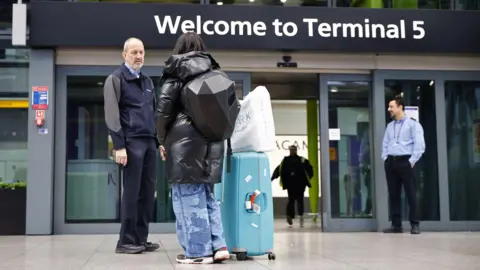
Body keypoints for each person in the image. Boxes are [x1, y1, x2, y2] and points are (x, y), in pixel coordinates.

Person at [155, 32, 229, 265]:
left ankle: (198, 252)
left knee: (187, 197)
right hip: (213, 144)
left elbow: (163, 112)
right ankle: (218, 246)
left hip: (184, 145)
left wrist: (161, 139)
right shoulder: (216, 72)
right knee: (208, 196)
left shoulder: (176, 71)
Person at [103, 37, 160, 254]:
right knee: (132, 192)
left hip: (149, 143)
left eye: (142, 52)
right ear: (124, 55)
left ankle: (140, 238)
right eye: (134, 52)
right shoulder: (115, 79)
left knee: (147, 192)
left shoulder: (147, 82)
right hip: (130, 142)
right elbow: (112, 115)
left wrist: (159, 142)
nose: (139, 56)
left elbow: (153, 114)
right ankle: (125, 240)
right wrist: (119, 146)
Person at [381, 96, 425, 235]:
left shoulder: (413, 125)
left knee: (411, 194)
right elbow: (385, 143)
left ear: (400, 107)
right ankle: (396, 225)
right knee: (394, 194)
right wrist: (385, 158)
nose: (389, 109)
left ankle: (415, 224)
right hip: (391, 162)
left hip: (406, 162)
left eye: (391, 107)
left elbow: (419, 144)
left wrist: (412, 161)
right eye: (389, 107)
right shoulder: (390, 126)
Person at [271, 145, 313, 227]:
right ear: (289, 151)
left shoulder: (302, 160)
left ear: (296, 150)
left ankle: (301, 216)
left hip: (300, 184)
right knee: (291, 200)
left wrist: (309, 177)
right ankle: (290, 216)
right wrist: (273, 177)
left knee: (300, 200)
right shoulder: (286, 160)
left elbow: (309, 168)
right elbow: (279, 169)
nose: (292, 151)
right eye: (291, 150)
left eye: (294, 150)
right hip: (290, 184)